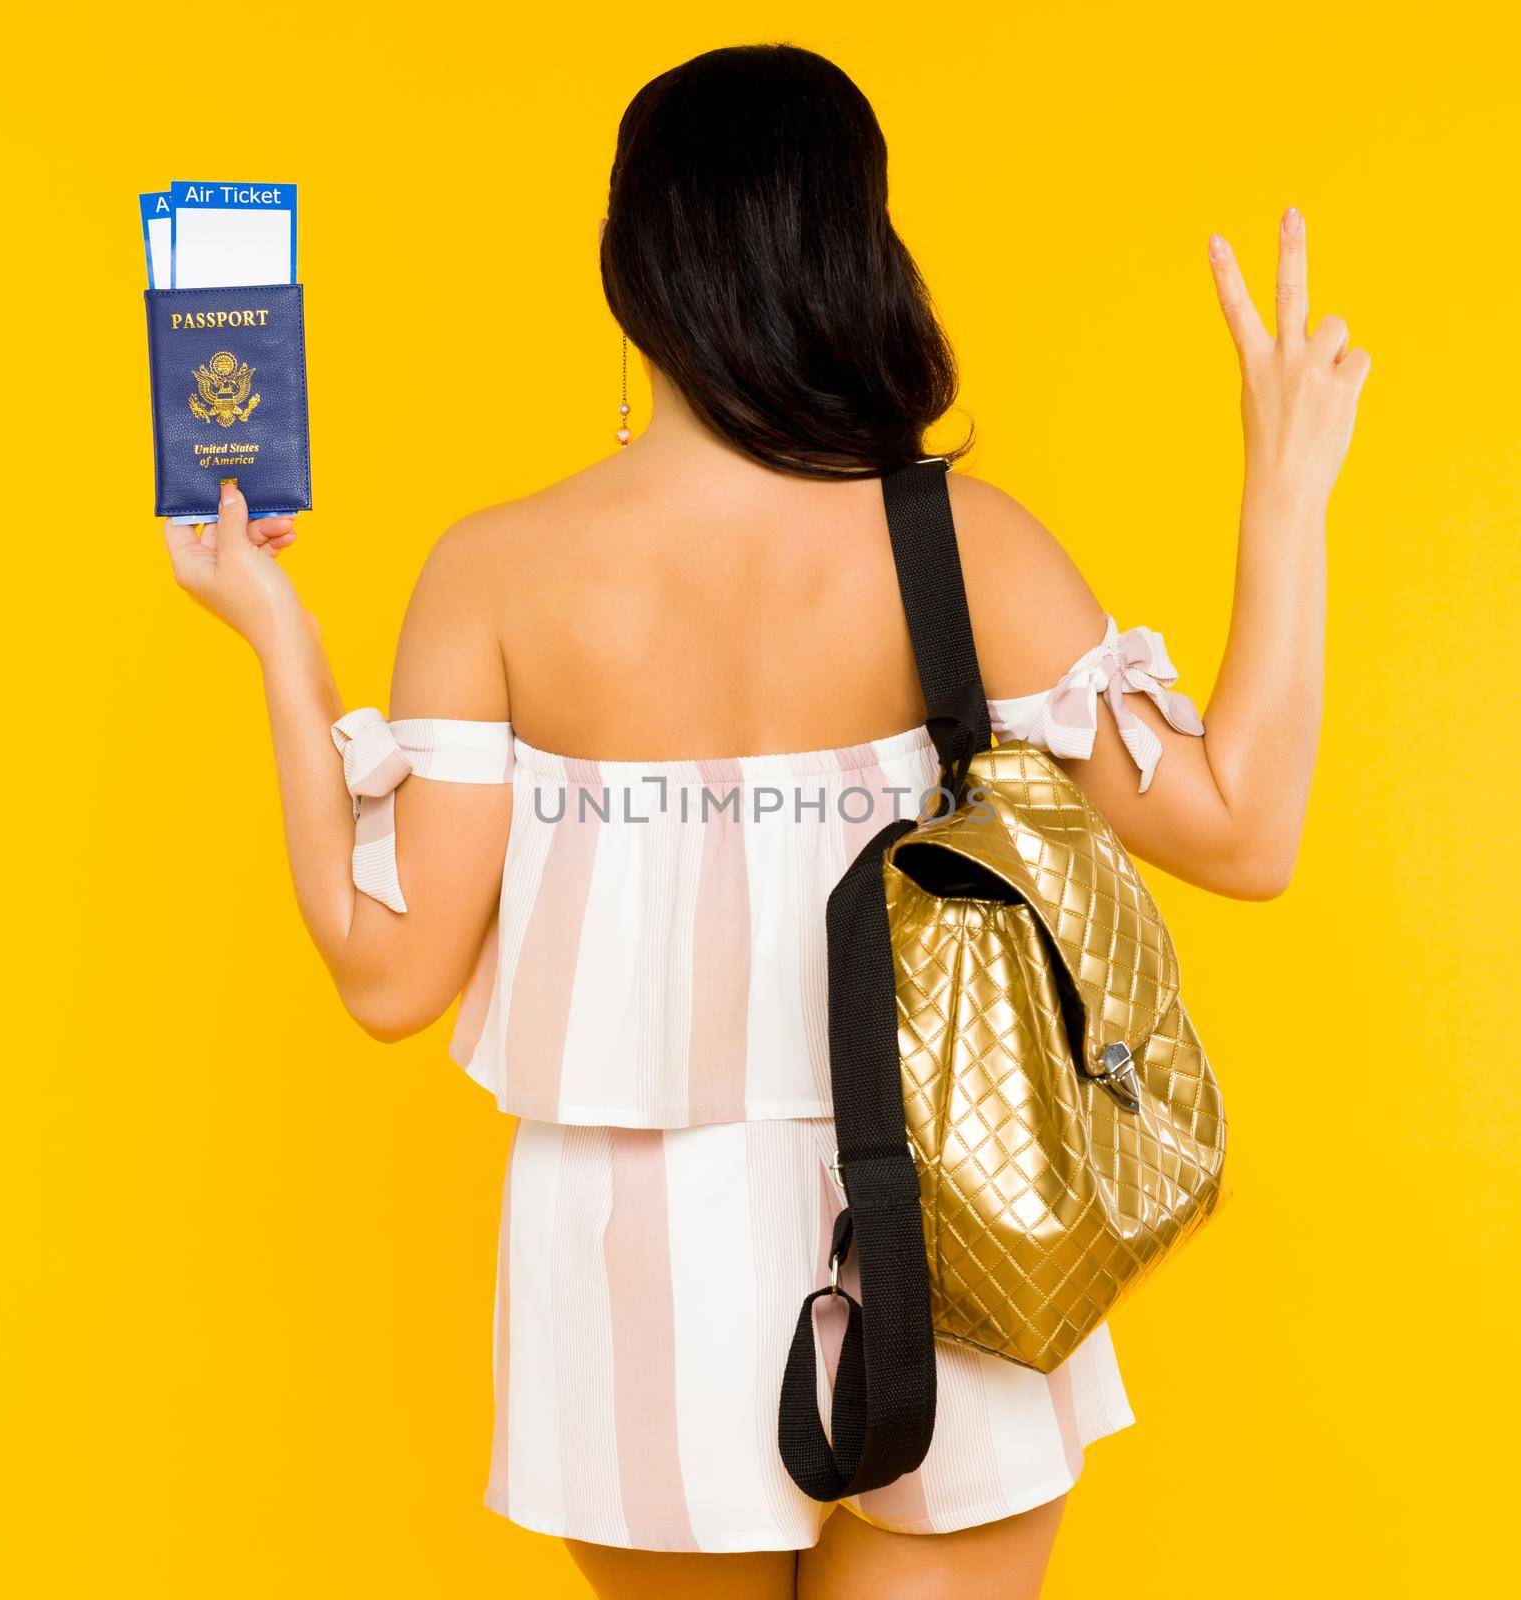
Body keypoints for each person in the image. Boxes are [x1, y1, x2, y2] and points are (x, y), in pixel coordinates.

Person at [161, 41, 1367, 1600]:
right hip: (961, 1219)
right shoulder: (959, 546)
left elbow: (387, 975)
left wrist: (280, 640)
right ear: (858, 248)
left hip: (629, 1260)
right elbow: (1247, 832)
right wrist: (1287, 487)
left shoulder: (496, 576)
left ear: (631, 269)